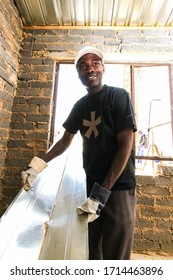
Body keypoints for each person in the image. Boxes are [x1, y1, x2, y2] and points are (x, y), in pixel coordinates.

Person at [21, 46, 137, 260]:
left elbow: (125, 146)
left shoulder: (118, 96)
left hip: (118, 187)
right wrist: (36, 166)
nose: (89, 69)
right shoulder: (80, 106)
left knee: (116, 254)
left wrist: (102, 193)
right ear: (78, 74)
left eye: (95, 63)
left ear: (103, 68)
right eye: (83, 66)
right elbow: (65, 141)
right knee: (92, 250)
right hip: (91, 187)